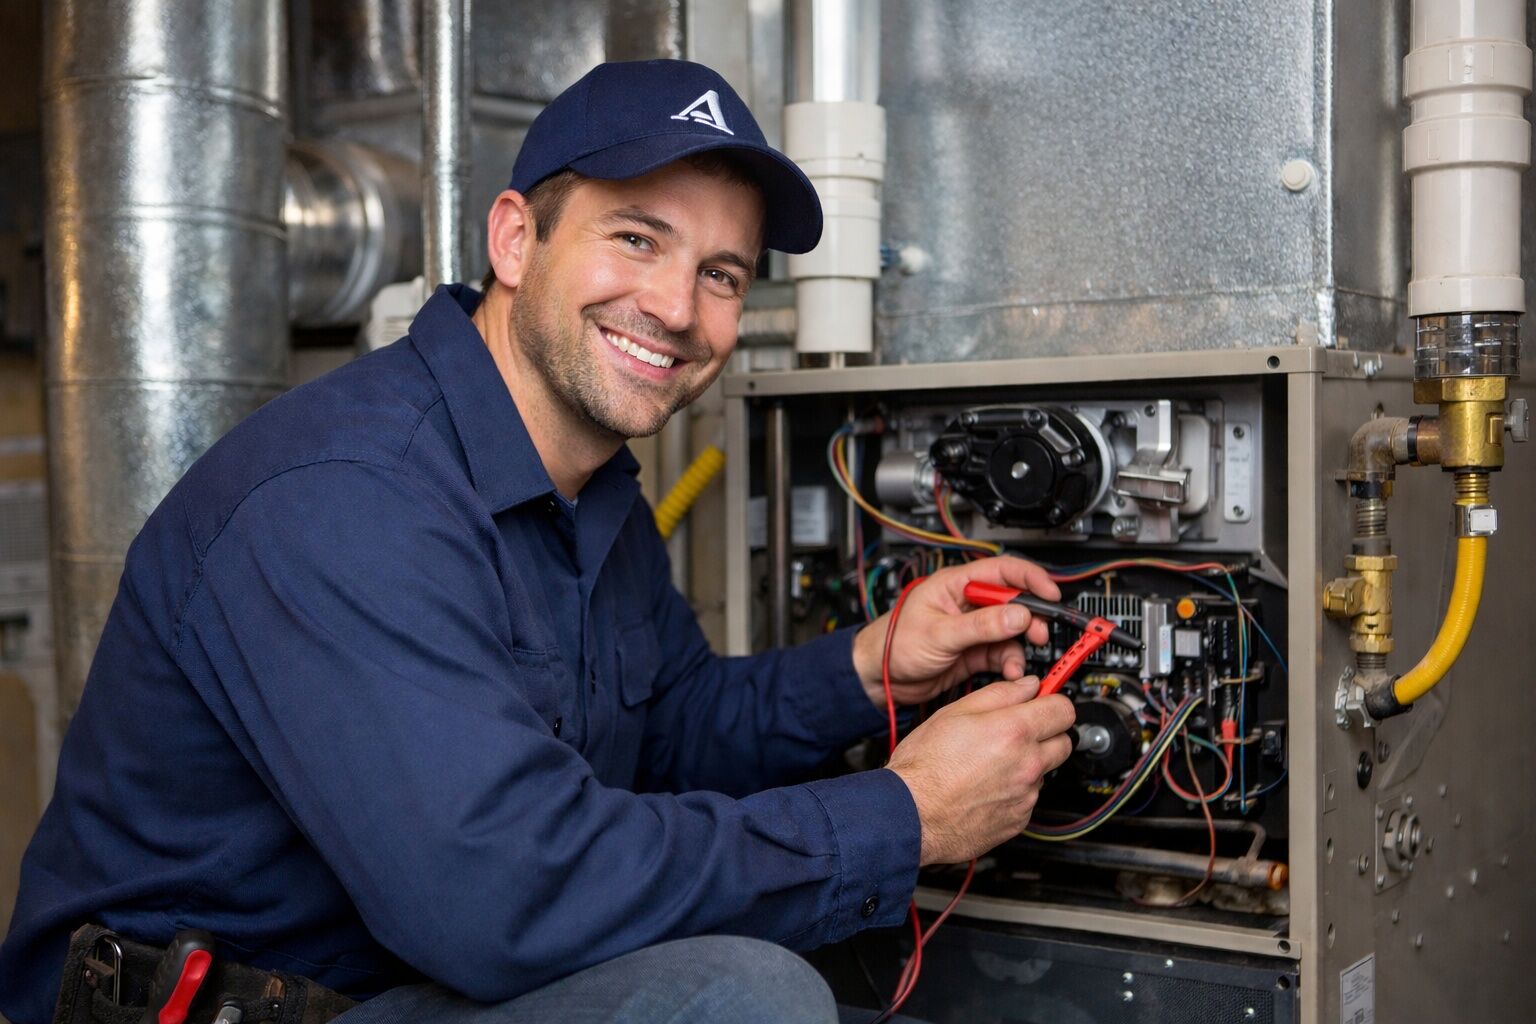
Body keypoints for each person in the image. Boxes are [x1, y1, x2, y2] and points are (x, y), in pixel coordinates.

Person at [0, 60, 1075, 1024]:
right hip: (237, 1009)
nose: (676, 306)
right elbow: (499, 892)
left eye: (722, 274)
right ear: (516, 238)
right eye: (637, 238)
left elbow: (672, 730)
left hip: (405, 985)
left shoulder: (591, 482)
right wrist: (907, 813)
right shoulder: (348, 499)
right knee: (747, 1001)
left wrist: (871, 663)